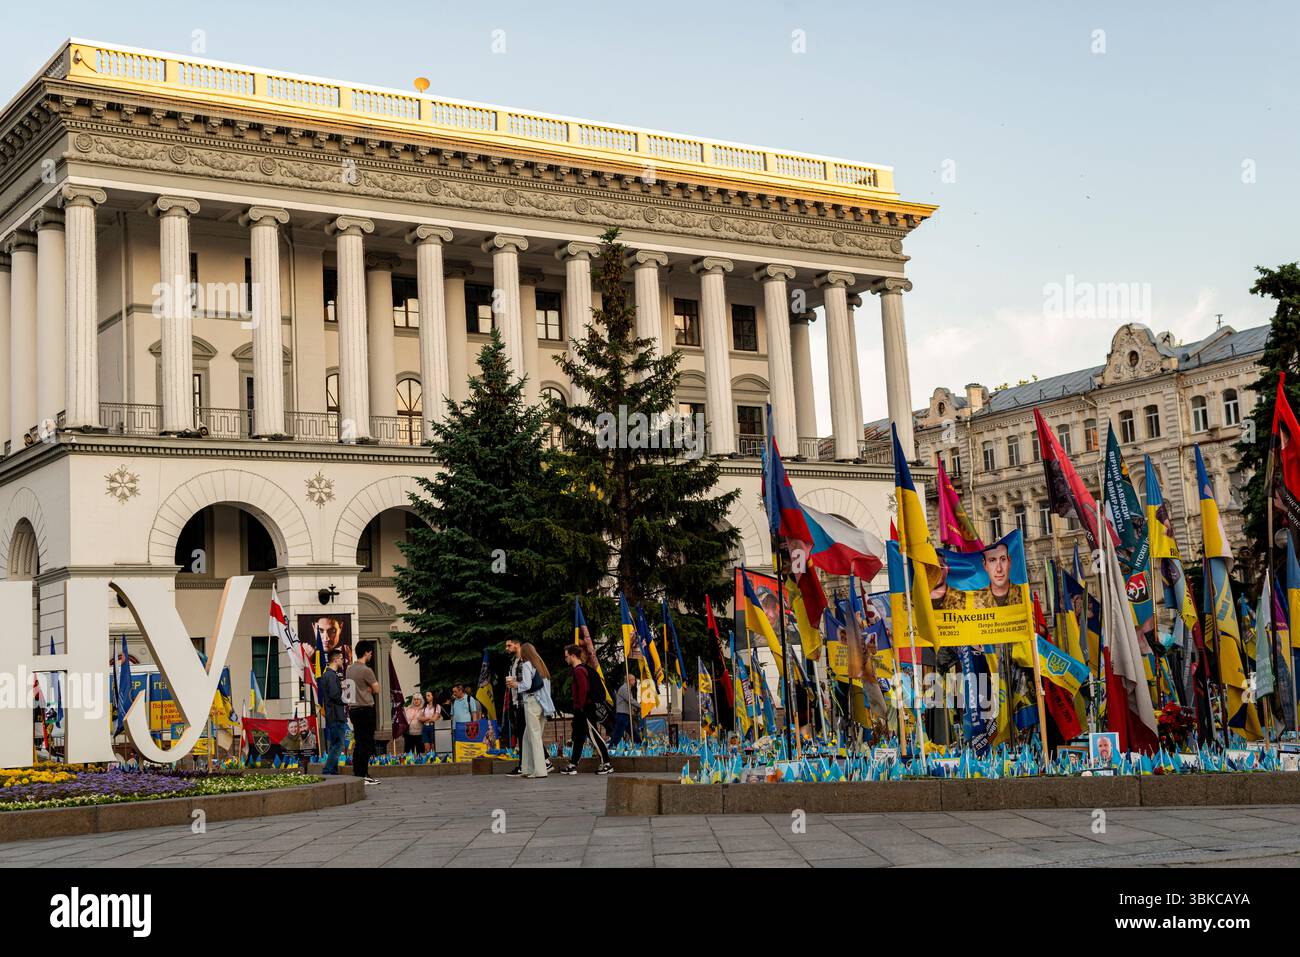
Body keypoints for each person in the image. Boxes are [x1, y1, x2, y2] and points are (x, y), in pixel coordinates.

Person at [504, 639, 555, 778]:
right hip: (542, 704)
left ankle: (539, 770)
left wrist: (515, 685)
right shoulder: (541, 665)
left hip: (531, 702)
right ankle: (527, 768)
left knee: (533, 737)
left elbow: (526, 685)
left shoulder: (527, 664)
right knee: (527, 737)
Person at [562, 644, 613, 775]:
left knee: (593, 735)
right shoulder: (582, 669)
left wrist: (579, 706)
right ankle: (573, 764)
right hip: (583, 708)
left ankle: (607, 763)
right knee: (579, 736)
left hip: (585, 708)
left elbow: (584, 690)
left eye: (566, 656)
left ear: (573, 656)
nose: (565, 659)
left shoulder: (579, 670)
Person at [345, 640, 382, 784]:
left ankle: (357, 773)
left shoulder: (349, 669)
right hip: (365, 709)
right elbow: (377, 689)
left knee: (359, 742)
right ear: (366, 652)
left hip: (353, 709)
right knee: (366, 743)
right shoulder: (366, 670)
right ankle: (364, 774)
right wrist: (370, 689)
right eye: (371, 652)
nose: (371, 655)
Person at [319, 649, 347, 775]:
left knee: (334, 744)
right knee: (338, 745)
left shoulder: (328, 675)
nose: (342, 660)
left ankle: (333, 770)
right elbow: (335, 695)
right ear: (335, 660)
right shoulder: (330, 675)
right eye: (341, 658)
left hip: (333, 715)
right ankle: (328, 769)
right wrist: (344, 693)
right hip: (336, 715)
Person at [611, 673, 637, 748]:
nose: (635, 681)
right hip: (622, 715)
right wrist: (640, 706)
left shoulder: (627, 688)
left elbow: (629, 702)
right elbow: (630, 700)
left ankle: (639, 744)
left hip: (626, 714)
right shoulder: (624, 688)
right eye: (633, 680)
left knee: (633, 732)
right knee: (618, 733)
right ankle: (611, 747)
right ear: (629, 680)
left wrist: (634, 709)